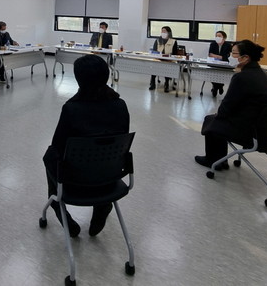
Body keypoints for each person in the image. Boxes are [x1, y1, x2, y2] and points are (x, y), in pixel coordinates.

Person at [43, 54, 130, 238]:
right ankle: (103, 205)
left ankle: (56, 202)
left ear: (79, 79)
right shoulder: (120, 105)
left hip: (75, 182)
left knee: (49, 155)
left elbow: (58, 147)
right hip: (109, 178)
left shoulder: (72, 109)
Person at [195, 40, 267, 170]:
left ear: (245, 58)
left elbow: (226, 107)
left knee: (212, 120)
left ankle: (213, 160)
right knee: (216, 119)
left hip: (252, 132)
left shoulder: (242, 77)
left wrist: (219, 114)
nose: (230, 56)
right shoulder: (263, 74)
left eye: (234, 53)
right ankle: (220, 160)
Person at [149, 26, 179, 92]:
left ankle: (166, 84)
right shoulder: (158, 40)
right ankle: (153, 83)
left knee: (167, 66)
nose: (163, 32)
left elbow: (175, 53)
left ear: (168, 32)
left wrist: (169, 57)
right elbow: (154, 50)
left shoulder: (173, 41)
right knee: (154, 66)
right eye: (162, 31)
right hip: (158, 59)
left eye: (164, 31)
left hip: (168, 60)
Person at [208, 30, 231, 97]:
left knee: (222, 74)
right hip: (214, 64)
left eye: (219, 36)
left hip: (224, 64)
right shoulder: (213, 44)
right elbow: (210, 54)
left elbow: (228, 57)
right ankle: (217, 87)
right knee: (212, 74)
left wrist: (217, 56)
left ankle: (217, 87)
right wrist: (220, 57)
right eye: (216, 36)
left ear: (224, 38)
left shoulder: (228, 45)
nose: (217, 37)